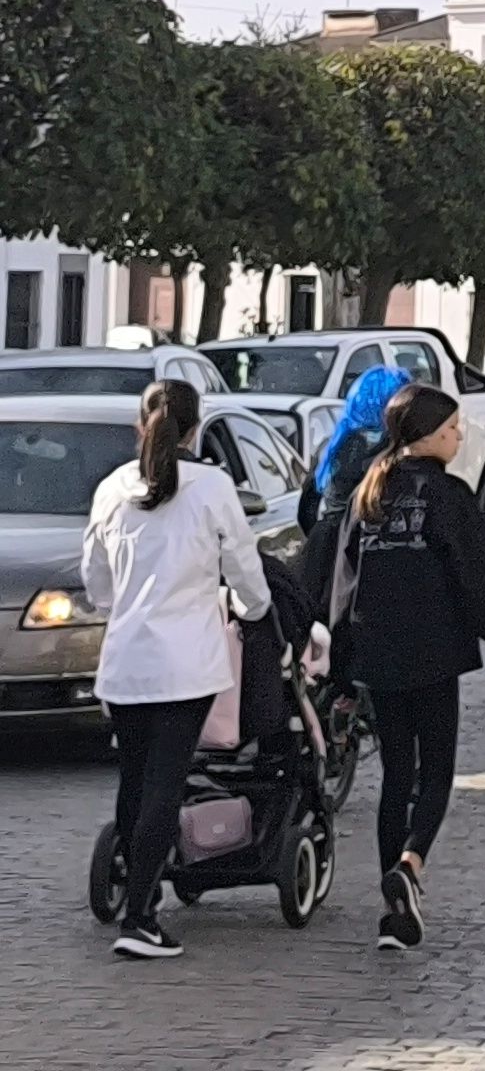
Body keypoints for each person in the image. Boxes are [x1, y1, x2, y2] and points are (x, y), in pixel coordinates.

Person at [82, 380, 273, 961]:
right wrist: (257, 609)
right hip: (185, 663)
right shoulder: (213, 487)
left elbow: (95, 581)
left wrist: (127, 606)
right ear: (196, 426)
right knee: (166, 783)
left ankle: (127, 884)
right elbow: (243, 568)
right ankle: (141, 915)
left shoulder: (113, 487)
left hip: (127, 659)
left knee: (134, 780)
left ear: (142, 424)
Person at [346, 384, 485, 950]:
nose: (459, 436)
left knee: (396, 773)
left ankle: (393, 908)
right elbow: (478, 577)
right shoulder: (447, 494)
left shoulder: (368, 493)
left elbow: (343, 581)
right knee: (436, 769)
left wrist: (340, 664)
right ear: (425, 436)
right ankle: (411, 863)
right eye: (450, 430)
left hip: (375, 651)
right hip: (433, 650)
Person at [300, 364, 410, 608]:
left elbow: (308, 505)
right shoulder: (392, 453)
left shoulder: (334, 445)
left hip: (323, 549)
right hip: (365, 555)